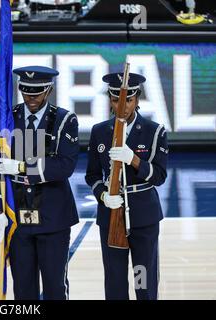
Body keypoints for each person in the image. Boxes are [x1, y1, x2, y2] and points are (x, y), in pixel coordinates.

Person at [0, 66, 80, 300]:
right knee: (23, 289)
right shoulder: (9, 119)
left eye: (37, 93)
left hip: (54, 218)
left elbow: (64, 166)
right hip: (17, 218)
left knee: (55, 288)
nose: (31, 99)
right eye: (26, 92)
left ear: (49, 90)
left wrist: (20, 167)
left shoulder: (64, 120)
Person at [85, 73, 168, 300]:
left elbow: (159, 176)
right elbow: (91, 175)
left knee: (144, 280)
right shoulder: (99, 131)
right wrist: (103, 196)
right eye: (115, 100)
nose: (121, 106)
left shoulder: (154, 131)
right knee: (115, 282)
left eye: (128, 100)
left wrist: (134, 160)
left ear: (137, 98)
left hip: (143, 217)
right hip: (111, 215)